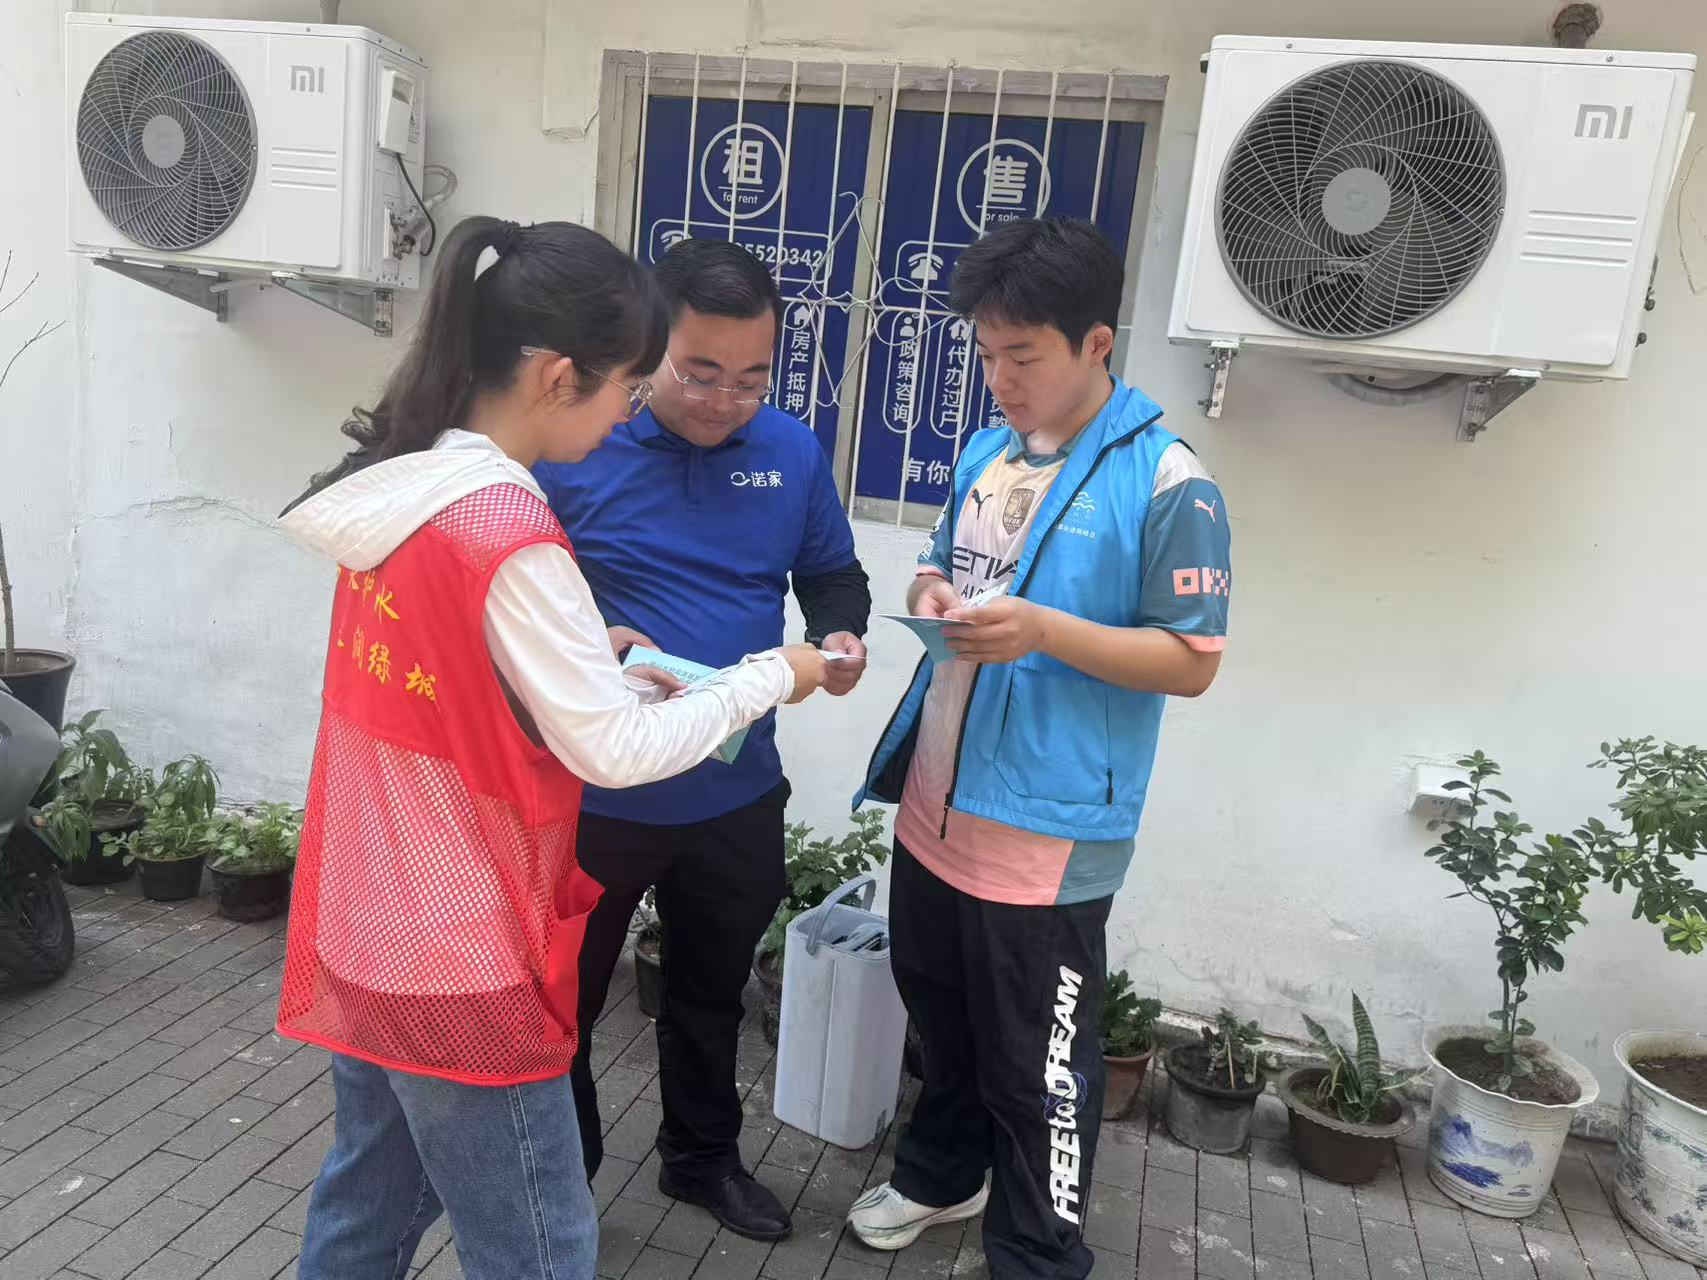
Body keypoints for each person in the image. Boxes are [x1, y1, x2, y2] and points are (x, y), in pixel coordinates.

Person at [274, 215, 831, 1280]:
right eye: (626, 384)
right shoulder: (508, 532)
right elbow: (616, 752)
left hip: (367, 915)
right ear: (554, 376)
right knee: (539, 1247)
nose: (630, 409)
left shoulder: (405, 495)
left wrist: (592, 669)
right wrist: (773, 674)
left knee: (367, 1208)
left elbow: (464, 700)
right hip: (460, 951)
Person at [846, 218, 1232, 1280]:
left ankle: (1036, 1251)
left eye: (1022, 356)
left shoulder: (1169, 480)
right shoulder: (986, 455)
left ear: (1096, 342)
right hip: (938, 799)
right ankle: (942, 1174)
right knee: (942, 1013)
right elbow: (940, 563)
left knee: (1041, 1062)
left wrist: (1044, 631)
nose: (999, 380)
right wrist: (931, 592)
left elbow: (1192, 659)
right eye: (986, 355)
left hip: (1048, 831)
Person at [534, 237, 871, 1241]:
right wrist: (591, 637)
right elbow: (516, 595)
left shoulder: (791, 452)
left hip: (733, 786)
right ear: (650, 346)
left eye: (752, 377)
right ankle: (560, 1184)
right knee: (562, 1005)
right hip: (595, 796)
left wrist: (839, 636)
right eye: (700, 372)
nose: (727, 400)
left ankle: (701, 1158)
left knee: (710, 994)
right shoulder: (579, 444)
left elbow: (832, 573)